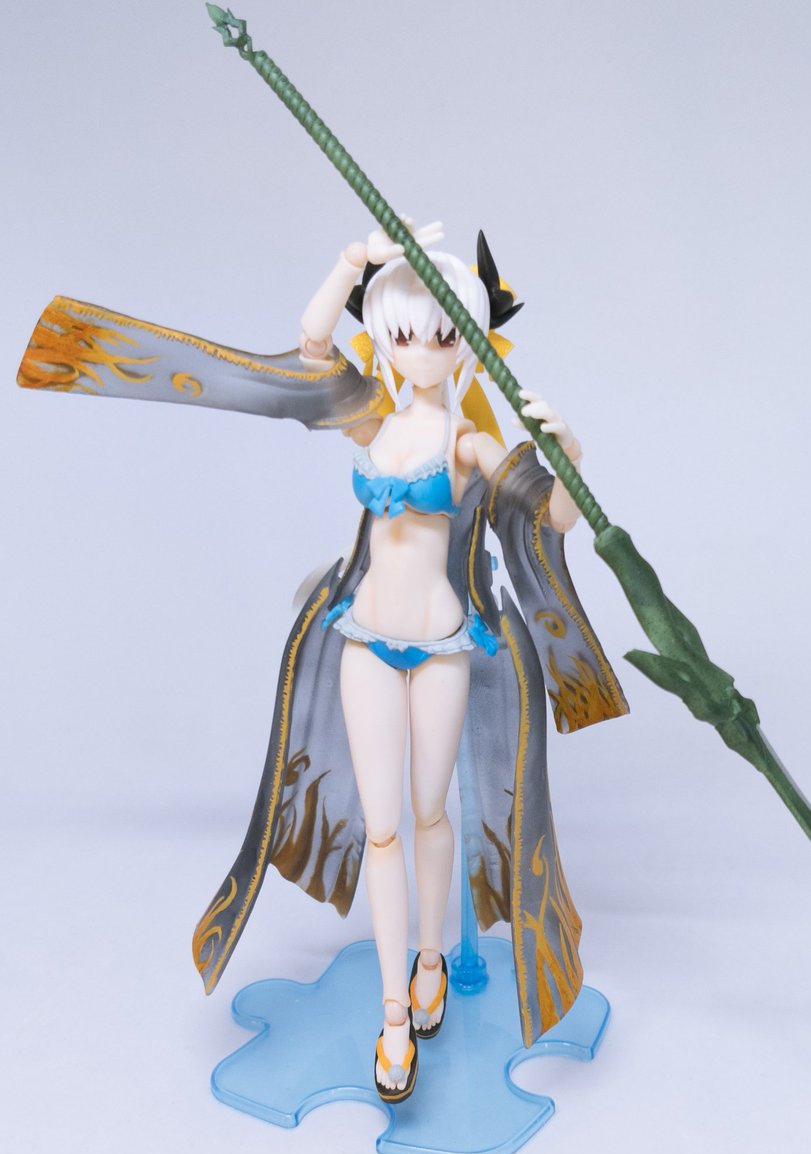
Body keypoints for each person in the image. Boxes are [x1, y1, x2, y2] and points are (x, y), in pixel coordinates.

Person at [17, 222, 629, 1103]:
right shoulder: (372, 420)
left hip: (443, 645)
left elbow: (555, 517)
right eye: (403, 332)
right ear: (383, 334)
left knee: (430, 816)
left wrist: (568, 453)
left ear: (466, 343)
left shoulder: (466, 446)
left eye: (440, 333)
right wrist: (351, 262)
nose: (420, 350)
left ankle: (431, 959)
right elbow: (308, 349)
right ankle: (393, 1014)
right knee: (383, 830)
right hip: (364, 640)